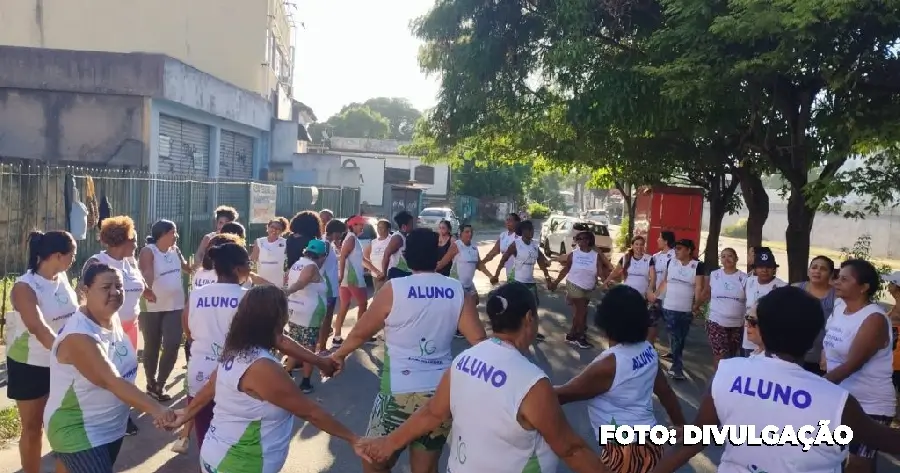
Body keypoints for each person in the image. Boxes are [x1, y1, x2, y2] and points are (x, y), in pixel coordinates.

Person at [357, 282, 610, 473]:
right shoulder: (531, 382)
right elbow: (570, 448)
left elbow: (433, 412)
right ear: (529, 318)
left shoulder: (464, 361)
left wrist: (390, 443)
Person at [652, 286, 900, 473]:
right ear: (815, 336)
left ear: (762, 330)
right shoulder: (837, 402)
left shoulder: (727, 373)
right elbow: (885, 440)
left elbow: (693, 442)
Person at [331, 228, 488, 473]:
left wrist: (337, 356)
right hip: (441, 396)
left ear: (406, 255)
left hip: (397, 392)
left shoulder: (394, 289)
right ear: (436, 253)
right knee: (425, 467)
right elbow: (479, 340)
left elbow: (360, 333)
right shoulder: (457, 290)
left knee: (374, 459)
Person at [170, 285, 366, 473]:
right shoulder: (262, 368)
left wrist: (187, 412)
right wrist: (353, 439)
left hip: (217, 456)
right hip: (240, 465)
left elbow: (210, 386)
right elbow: (310, 412)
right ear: (278, 320)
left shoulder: (234, 349)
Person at [184, 241, 340, 452]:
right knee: (239, 446)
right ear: (236, 269)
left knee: (207, 444)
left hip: (199, 375)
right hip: (237, 379)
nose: (251, 268)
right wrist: (320, 361)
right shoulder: (248, 298)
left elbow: (189, 334)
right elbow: (280, 340)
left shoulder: (196, 294)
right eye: (248, 263)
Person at [45, 263, 175, 473]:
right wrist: (158, 410)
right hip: (78, 429)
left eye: (119, 286)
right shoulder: (79, 335)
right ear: (86, 291)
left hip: (111, 427)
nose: (115, 292)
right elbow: (111, 381)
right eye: (106, 287)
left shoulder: (110, 318)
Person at [556, 285, 685, 473]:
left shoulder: (609, 365)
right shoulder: (648, 350)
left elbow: (560, 395)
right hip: (652, 445)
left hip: (624, 452)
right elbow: (665, 392)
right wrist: (681, 425)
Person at [7, 231, 77, 473]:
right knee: (32, 426)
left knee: (63, 424)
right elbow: (38, 327)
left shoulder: (63, 277)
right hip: (30, 365)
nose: (74, 259)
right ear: (57, 255)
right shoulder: (24, 287)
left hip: (61, 362)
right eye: (72, 254)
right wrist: (67, 354)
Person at [823, 259, 895, 473]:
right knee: (838, 459)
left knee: (858, 464)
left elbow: (851, 365)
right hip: (841, 398)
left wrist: (816, 385)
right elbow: (831, 340)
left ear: (863, 287)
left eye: (845, 279)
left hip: (869, 405)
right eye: (837, 277)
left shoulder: (874, 318)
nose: (837, 282)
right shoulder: (839, 307)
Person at [80, 216, 146, 436]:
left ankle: (122, 416)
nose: (136, 244)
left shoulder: (130, 261)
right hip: (106, 328)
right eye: (133, 239)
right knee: (107, 373)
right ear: (121, 240)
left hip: (131, 326)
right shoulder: (97, 261)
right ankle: (99, 416)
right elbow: (84, 292)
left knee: (127, 372)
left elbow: (138, 285)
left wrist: (149, 292)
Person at [138, 219, 191, 401]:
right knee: (151, 346)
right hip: (151, 307)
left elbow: (187, 268)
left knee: (173, 343)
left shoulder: (175, 250)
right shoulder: (148, 251)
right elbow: (146, 272)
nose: (176, 236)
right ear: (162, 234)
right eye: (173, 232)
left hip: (175, 306)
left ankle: (161, 383)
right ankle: (151, 383)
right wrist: (148, 289)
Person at [648, 238, 705, 380]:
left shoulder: (697, 266)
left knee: (680, 337)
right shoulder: (671, 262)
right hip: (669, 306)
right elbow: (665, 281)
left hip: (686, 309)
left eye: (679, 248)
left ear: (689, 250)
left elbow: (698, 287)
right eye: (675, 248)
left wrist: (696, 305)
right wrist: (655, 296)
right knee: (675, 336)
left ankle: (675, 360)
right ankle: (677, 368)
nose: (676, 251)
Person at [549, 231, 611, 349]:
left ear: (590, 241)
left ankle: (572, 334)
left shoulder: (595, 255)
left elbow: (600, 272)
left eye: (585, 239)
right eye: (580, 239)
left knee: (579, 312)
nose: (583, 241)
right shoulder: (574, 254)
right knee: (582, 311)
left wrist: (606, 285)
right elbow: (565, 270)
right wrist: (556, 282)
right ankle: (580, 337)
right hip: (574, 285)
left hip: (588, 287)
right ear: (577, 241)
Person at [492, 220, 552, 342]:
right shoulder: (516, 244)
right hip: (518, 281)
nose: (531, 232)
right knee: (516, 307)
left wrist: (548, 278)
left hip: (530, 282)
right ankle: (513, 329)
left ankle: (533, 330)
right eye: (528, 229)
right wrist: (496, 274)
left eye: (532, 229)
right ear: (523, 231)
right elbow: (504, 259)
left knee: (534, 305)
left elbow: (541, 262)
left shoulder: (534, 246)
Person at [284, 239, 329, 393]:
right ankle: (305, 382)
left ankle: (287, 372)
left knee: (295, 343)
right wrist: (286, 292)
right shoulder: (311, 267)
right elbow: (301, 283)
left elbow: (287, 279)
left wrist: (287, 293)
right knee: (308, 347)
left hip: (295, 309)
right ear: (322, 256)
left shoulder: (297, 263)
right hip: (310, 312)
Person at [435, 224, 492, 338]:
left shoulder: (474, 248)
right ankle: (458, 328)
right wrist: (429, 271)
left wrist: (491, 276)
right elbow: (444, 261)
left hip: (469, 283)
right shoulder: (457, 246)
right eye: (466, 232)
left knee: (475, 301)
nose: (469, 234)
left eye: (471, 232)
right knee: (462, 305)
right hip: (457, 282)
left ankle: (461, 325)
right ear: (460, 233)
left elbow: (479, 265)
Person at [703, 248, 747, 368]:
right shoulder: (715, 275)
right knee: (720, 354)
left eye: (730, 256)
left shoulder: (744, 278)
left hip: (737, 324)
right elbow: (707, 293)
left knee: (732, 355)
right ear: (720, 260)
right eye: (723, 256)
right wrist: (696, 306)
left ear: (736, 258)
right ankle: (717, 381)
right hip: (715, 321)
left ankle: (728, 380)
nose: (726, 259)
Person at [741, 247, 786, 357]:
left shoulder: (782, 287)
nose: (764, 270)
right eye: (760, 267)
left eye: (769, 267)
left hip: (769, 341)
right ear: (755, 269)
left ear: (774, 269)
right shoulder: (748, 281)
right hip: (749, 338)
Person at [795, 255, 836, 375]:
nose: (817, 271)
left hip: (823, 357)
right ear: (808, 271)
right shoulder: (795, 289)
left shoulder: (837, 296)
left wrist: (828, 352)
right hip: (794, 352)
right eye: (814, 267)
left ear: (831, 274)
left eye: (823, 269)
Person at [333, 215, 370, 347]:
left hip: (348, 279)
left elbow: (363, 260)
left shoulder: (353, 239)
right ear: (352, 225)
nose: (362, 226)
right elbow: (342, 256)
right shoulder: (351, 238)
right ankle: (359, 335)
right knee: (363, 304)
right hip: (352, 279)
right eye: (360, 224)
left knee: (345, 306)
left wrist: (376, 271)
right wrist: (342, 274)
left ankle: (337, 337)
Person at [647, 231, 676, 345]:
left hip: (670, 297)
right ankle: (649, 347)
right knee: (652, 322)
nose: (657, 240)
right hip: (656, 296)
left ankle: (674, 351)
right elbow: (653, 277)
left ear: (666, 241)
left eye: (660, 238)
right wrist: (651, 291)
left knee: (671, 325)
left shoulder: (675, 255)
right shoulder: (655, 256)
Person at [320, 219, 344, 352]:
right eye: (341, 234)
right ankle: (322, 348)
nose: (341, 237)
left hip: (328, 287)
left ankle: (320, 346)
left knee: (325, 319)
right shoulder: (326, 245)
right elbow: (320, 266)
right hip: (328, 289)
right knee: (326, 319)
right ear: (335, 233)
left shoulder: (327, 244)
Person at [193, 205, 239, 270]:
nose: (223, 226)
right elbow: (198, 256)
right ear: (216, 223)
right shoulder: (208, 238)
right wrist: (204, 266)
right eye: (220, 223)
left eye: (226, 223)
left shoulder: (236, 240)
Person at [250, 217, 289, 288]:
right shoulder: (259, 241)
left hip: (278, 282)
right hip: (261, 281)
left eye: (278, 228)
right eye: (272, 227)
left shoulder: (285, 242)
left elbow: (288, 262)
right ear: (267, 228)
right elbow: (252, 260)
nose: (274, 230)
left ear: (282, 231)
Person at [480, 212, 520, 281]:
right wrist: (482, 262)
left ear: (516, 222)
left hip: (519, 271)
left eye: (510, 220)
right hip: (509, 271)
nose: (507, 222)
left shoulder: (520, 236)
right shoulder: (503, 235)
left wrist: (497, 273)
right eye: (507, 220)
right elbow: (494, 251)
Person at [382, 210, 414, 280]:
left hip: (405, 273)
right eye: (411, 224)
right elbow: (386, 254)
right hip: (398, 273)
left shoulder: (406, 236)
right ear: (404, 226)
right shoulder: (397, 238)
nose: (412, 226)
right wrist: (384, 273)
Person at [364, 219, 391, 292]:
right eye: (378, 227)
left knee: (377, 295)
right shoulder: (374, 242)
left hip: (385, 274)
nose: (379, 229)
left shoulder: (391, 240)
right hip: (375, 274)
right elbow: (366, 255)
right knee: (379, 295)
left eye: (382, 227)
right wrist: (370, 267)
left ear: (388, 229)